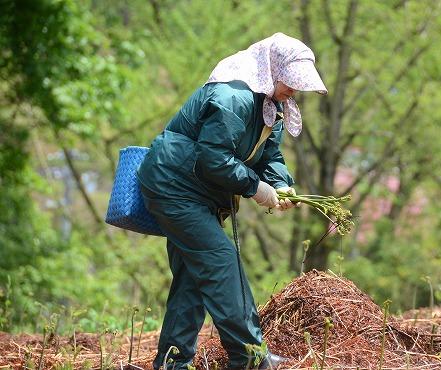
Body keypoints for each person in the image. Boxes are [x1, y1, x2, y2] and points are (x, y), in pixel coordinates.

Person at [137, 32, 327, 369]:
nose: (294, 91)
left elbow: (270, 156)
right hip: (174, 187)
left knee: (193, 279)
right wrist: (257, 189)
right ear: (272, 69)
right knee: (222, 262)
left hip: (198, 192)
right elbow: (214, 160)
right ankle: (250, 357)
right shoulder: (233, 97)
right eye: (291, 82)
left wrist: (281, 185)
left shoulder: (273, 106)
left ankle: (171, 363)